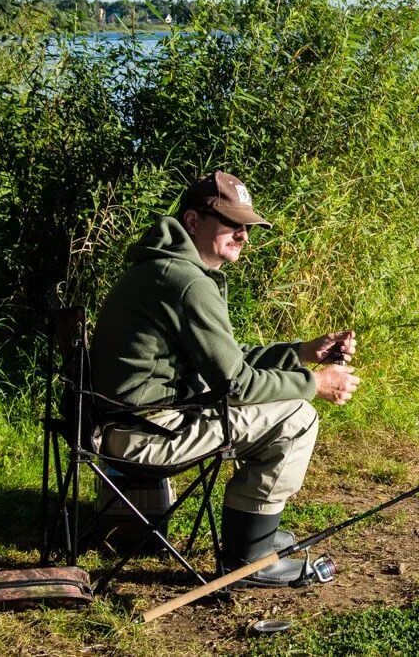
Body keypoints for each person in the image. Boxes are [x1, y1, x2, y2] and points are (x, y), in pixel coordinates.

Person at [90, 170, 360, 587]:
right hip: (144, 436)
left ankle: (254, 535)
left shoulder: (163, 269)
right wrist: (315, 383)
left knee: (285, 405)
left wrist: (303, 352)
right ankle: (249, 557)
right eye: (233, 225)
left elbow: (226, 364)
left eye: (247, 226)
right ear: (194, 221)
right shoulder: (186, 283)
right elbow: (237, 384)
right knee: (296, 418)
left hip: (123, 424)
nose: (243, 236)